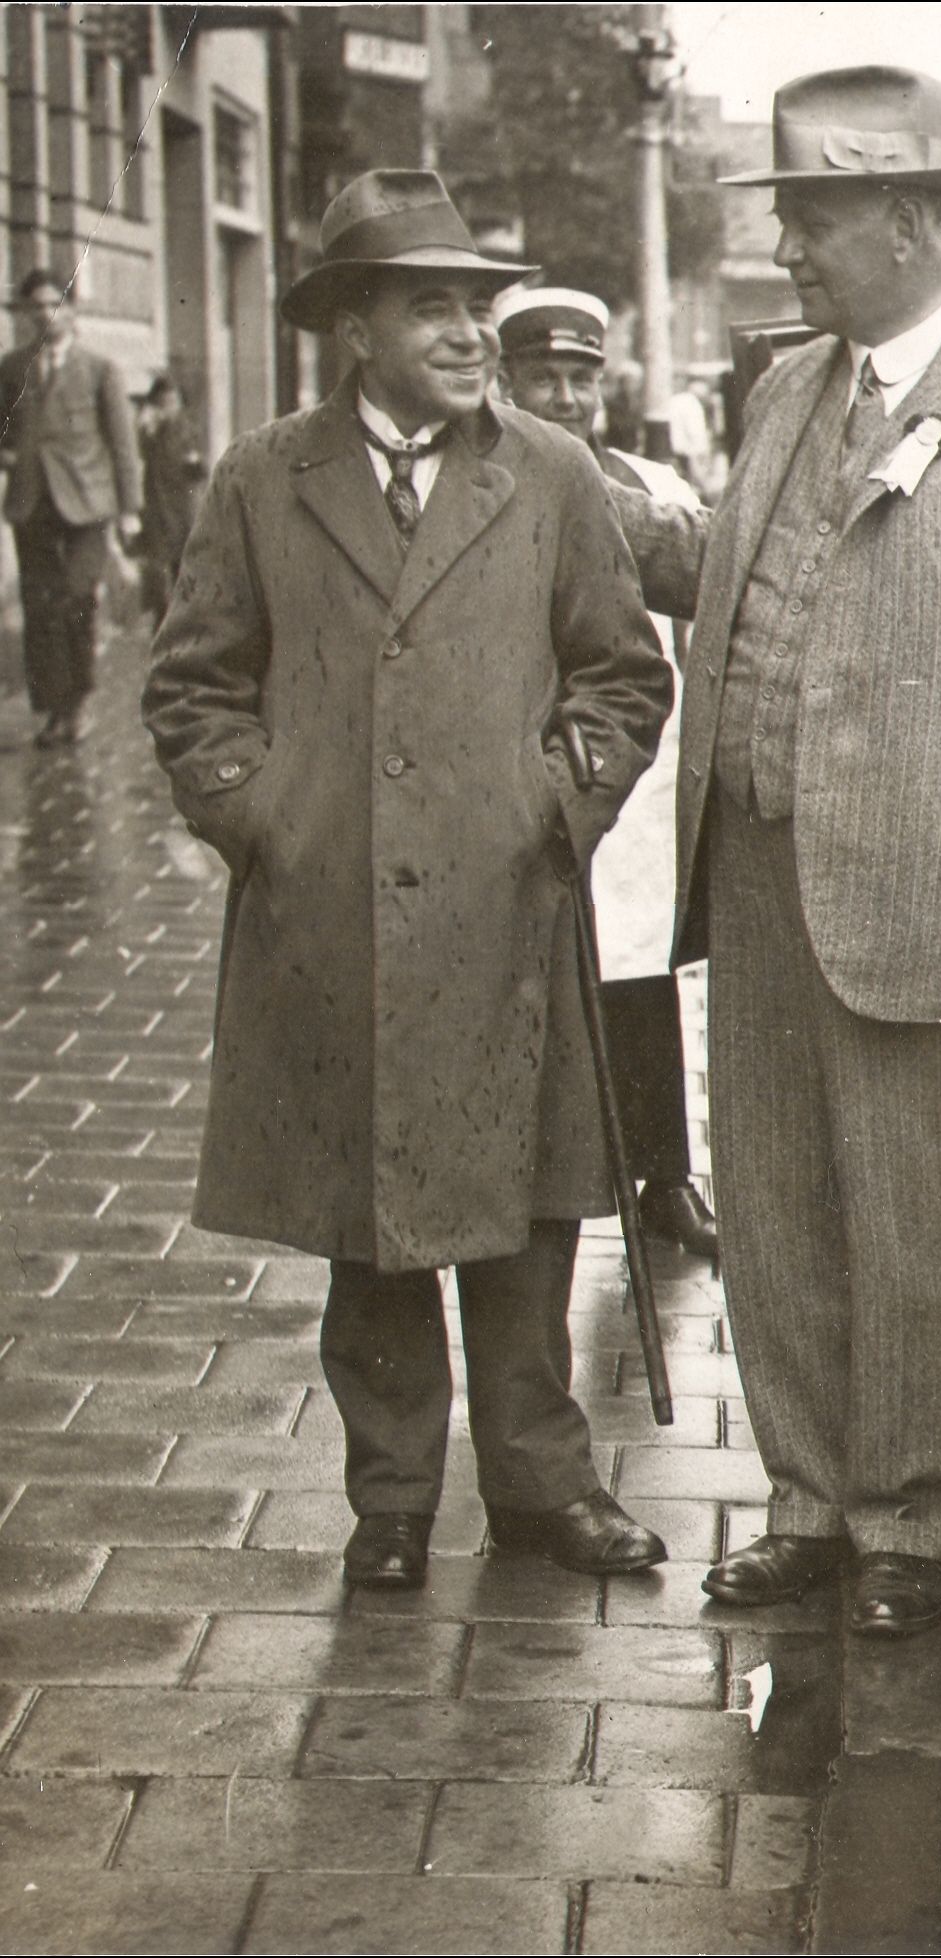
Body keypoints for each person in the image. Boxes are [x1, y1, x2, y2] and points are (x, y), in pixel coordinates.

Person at [607, 65, 941, 1637]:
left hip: (936, 895)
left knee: (919, 1222)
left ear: (912, 220)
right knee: (775, 1204)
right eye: (785, 218)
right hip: (760, 873)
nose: (785, 249)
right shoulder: (788, 391)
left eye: (814, 220)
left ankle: (912, 1520)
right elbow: (744, 581)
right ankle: (806, 1499)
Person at [140, 170, 677, 1593]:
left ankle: (542, 1485)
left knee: (529, 1211)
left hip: (507, 910)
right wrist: (271, 820)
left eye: (477, 306)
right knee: (362, 1215)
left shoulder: (551, 473)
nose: (468, 333)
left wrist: (553, 806)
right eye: (431, 307)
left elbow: (624, 674)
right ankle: (389, 1500)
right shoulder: (261, 477)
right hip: (331, 916)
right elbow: (192, 688)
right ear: (356, 330)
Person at [494, 286, 719, 1259]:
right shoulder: (481, 481)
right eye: (542, 377)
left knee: (637, 976)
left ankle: (662, 1175)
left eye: (579, 378)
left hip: (633, 779)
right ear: (505, 381)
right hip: (522, 770)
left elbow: (700, 589)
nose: (563, 397)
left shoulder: (648, 483)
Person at [0, 269, 141, 747]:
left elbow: (122, 445)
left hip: (87, 505)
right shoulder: (12, 368)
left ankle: (78, 703)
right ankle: (52, 709)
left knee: (78, 601)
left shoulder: (99, 369)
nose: (46, 313)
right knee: (40, 607)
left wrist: (129, 509)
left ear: (72, 309)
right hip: (31, 504)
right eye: (36, 306)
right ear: (25, 313)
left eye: (54, 303)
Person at [135, 373, 206, 623]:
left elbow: (199, 471)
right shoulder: (150, 428)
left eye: (172, 402)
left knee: (181, 568)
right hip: (157, 508)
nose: (168, 408)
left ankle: (182, 621)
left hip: (182, 509)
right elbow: (140, 455)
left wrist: (194, 462)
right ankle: (163, 619)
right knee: (156, 568)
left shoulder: (187, 428)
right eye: (162, 403)